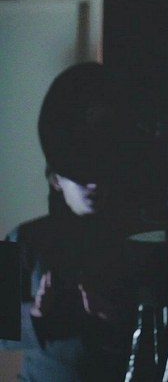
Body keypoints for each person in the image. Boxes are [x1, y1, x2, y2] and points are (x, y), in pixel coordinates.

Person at [0, 62, 136, 381]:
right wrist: (34, 313)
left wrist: (111, 314)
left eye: (101, 175)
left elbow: (164, 330)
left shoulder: (135, 241)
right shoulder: (21, 238)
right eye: (81, 176)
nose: (94, 184)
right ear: (56, 180)